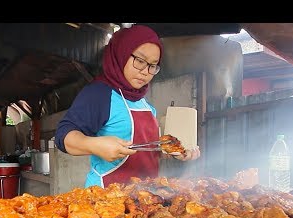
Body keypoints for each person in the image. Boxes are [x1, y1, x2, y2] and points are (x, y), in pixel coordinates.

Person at [55, 24, 200, 188]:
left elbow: (148, 152)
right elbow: (63, 135)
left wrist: (175, 152)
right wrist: (95, 145)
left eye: (152, 65)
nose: (145, 71)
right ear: (122, 54)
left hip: (146, 197)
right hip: (107, 199)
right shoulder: (99, 94)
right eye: (140, 61)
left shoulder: (144, 103)